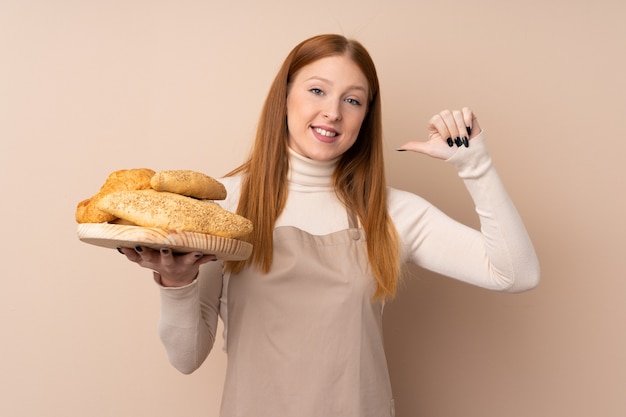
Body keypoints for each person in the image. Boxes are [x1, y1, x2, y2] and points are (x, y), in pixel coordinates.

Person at [117, 34, 540, 417]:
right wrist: (176, 282)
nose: (333, 112)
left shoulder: (391, 213)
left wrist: (476, 165)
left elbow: (515, 274)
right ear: (285, 98)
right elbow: (186, 357)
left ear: (365, 117)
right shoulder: (224, 206)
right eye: (317, 90)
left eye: (352, 100)